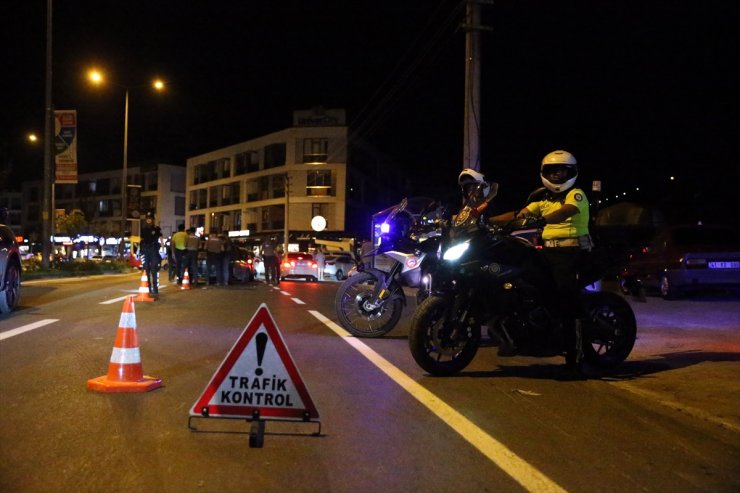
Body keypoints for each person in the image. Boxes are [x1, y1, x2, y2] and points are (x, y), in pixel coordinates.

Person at [491, 150, 593, 379]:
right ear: (544, 173)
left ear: (571, 172)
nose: (557, 175)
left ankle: (575, 362)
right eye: (553, 171)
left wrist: (542, 219)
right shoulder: (542, 200)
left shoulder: (575, 195)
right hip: (548, 252)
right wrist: (484, 222)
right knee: (521, 280)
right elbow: (518, 214)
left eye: (562, 171)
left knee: (567, 299)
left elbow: (566, 212)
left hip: (572, 253)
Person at [140, 212, 163, 297]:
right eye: (147, 218)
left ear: (153, 220)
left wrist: (162, 250)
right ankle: (148, 288)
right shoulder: (143, 229)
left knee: (154, 269)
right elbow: (141, 240)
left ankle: (155, 288)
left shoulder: (157, 228)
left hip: (154, 249)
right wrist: (140, 251)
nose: (149, 219)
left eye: (150, 218)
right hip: (145, 250)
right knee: (146, 269)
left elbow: (160, 239)